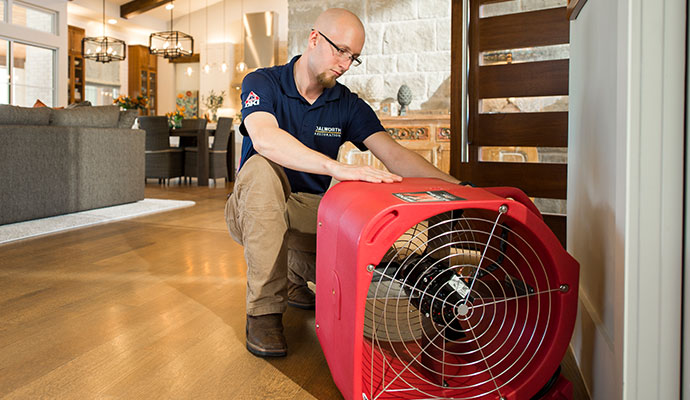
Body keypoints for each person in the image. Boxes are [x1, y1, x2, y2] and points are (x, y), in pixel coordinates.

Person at [225, 8, 460, 358]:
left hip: (309, 213)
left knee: (371, 258)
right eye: (341, 51)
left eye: (354, 57)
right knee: (261, 168)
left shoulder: (347, 104)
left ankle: (292, 275)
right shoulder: (263, 82)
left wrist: (459, 187)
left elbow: (394, 154)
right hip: (253, 208)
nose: (346, 63)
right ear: (314, 38)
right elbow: (265, 139)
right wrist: (338, 169)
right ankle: (263, 311)